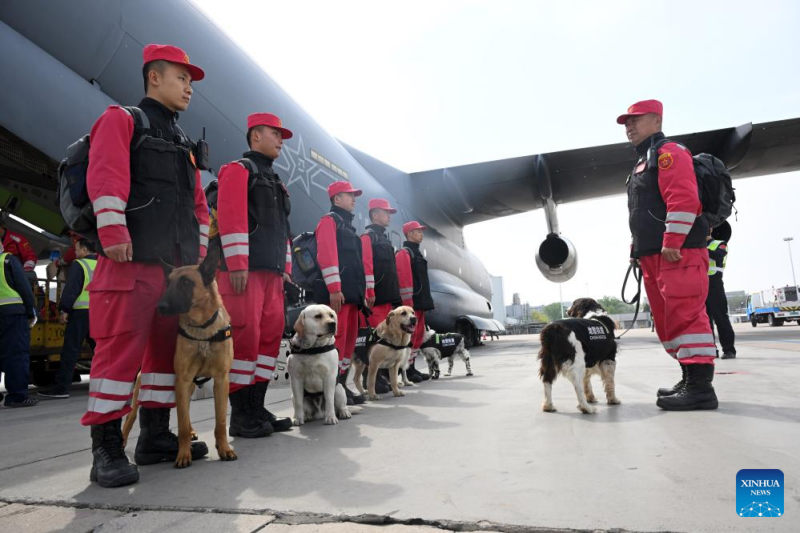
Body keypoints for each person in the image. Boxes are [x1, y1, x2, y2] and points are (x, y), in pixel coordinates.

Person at [80, 44, 211, 488]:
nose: (189, 88)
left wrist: (196, 261)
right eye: (182, 78)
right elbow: (105, 173)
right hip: (129, 263)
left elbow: (198, 207)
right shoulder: (122, 119)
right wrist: (113, 231)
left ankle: (155, 436)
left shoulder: (183, 144)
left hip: (173, 272)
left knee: (163, 357)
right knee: (118, 355)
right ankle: (106, 449)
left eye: (191, 81)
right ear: (154, 77)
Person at [620, 99, 718, 411]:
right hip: (653, 255)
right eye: (626, 122)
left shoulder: (668, 153)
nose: (629, 127)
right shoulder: (642, 162)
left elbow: (684, 198)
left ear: (656, 121)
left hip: (678, 253)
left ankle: (701, 389)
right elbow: (641, 213)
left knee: (687, 316)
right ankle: (689, 377)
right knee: (669, 321)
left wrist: (673, 240)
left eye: (635, 120)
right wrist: (636, 249)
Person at [215, 112, 294, 437]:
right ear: (255, 135)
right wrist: (236, 264)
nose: (280, 141)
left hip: (272, 275)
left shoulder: (276, 181)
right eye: (275, 134)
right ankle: (241, 415)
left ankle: (256, 406)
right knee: (244, 341)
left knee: (268, 340)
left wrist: (286, 270)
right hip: (243, 274)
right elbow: (231, 217)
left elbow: (284, 232)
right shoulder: (238, 170)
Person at [313, 181, 367, 405]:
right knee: (337, 340)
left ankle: (341, 386)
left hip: (352, 297)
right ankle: (330, 390)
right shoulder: (329, 222)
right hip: (338, 297)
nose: (354, 199)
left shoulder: (348, 227)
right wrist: (334, 289)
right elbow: (327, 256)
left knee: (348, 342)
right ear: (337, 199)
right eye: (349, 195)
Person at [38, 239, 97, 399]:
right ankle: (107, 384)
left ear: (85, 250)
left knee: (70, 351)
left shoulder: (80, 264)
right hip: (99, 313)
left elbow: (72, 289)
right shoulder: (102, 264)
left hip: (80, 313)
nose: (75, 253)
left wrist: (64, 309)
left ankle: (61, 388)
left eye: (77, 250)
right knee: (100, 350)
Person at [360, 198, 402, 393]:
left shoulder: (385, 239)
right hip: (375, 299)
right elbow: (367, 265)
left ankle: (383, 377)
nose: (389, 217)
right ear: (375, 214)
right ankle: (372, 380)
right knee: (376, 340)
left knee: (387, 340)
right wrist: (370, 292)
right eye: (386, 213)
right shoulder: (368, 238)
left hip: (388, 298)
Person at [0, 241, 38, 407]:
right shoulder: (7, 260)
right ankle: (17, 396)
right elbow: (24, 288)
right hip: (12, 314)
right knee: (16, 354)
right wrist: (30, 312)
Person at [396, 221, 433, 382]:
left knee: (418, 337)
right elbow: (404, 280)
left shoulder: (417, 253)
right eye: (418, 231)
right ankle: (404, 370)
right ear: (409, 234)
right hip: (412, 304)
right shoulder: (405, 253)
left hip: (420, 302)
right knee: (409, 337)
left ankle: (411, 368)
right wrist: (408, 305)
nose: (421, 234)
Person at [706, 222, 736, 359]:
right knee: (705, 321)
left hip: (714, 284)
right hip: (699, 285)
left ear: (711, 229)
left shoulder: (720, 243)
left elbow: (717, 255)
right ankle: (711, 350)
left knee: (720, 317)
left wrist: (700, 247)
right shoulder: (695, 245)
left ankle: (729, 350)